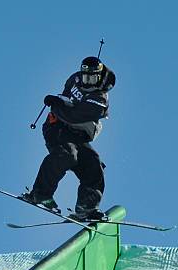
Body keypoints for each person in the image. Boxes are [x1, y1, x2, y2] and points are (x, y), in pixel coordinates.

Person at [21, 56, 116, 221]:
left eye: (92, 78)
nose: (87, 81)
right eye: (85, 76)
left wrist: (57, 105)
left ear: (99, 77)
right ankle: (40, 194)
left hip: (75, 131)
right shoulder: (75, 79)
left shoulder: (99, 99)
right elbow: (66, 98)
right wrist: (58, 101)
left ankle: (86, 207)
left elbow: (73, 116)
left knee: (94, 163)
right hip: (56, 127)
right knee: (66, 155)